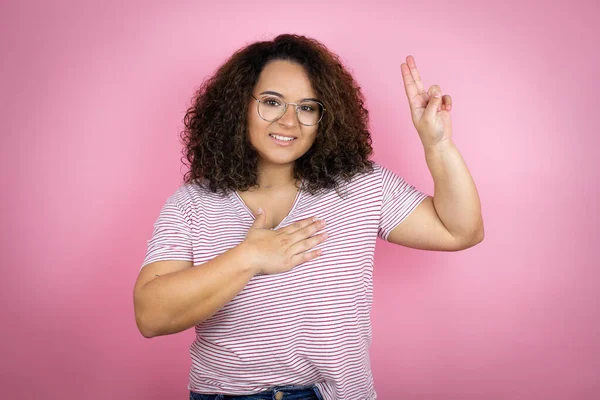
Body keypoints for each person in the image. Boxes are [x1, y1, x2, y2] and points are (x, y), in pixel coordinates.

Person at [133, 34, 484, 400]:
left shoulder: (361, 185)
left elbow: (459, 231)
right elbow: (151, 316)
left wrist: (438, 145)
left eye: (307, 107)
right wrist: (248, 258)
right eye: (271, 102)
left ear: (323, 117)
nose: (289, 121)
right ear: (239, 107)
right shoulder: (193, 203)